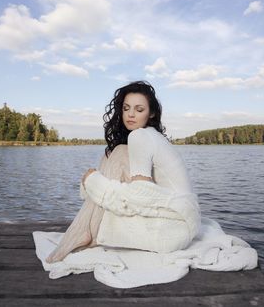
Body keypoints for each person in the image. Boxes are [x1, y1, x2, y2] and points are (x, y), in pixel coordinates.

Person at [46, 80, 198, 263]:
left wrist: (94, 182)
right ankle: (87, 230)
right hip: (183, 224)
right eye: (126, 108)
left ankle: (84, 231)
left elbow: (143, 195)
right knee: (113, 153)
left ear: (152, 113)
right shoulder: (150, 136)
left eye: (139, 109)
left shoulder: (140, 136)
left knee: (117, 154)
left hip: (171, 230)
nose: (131, 114)